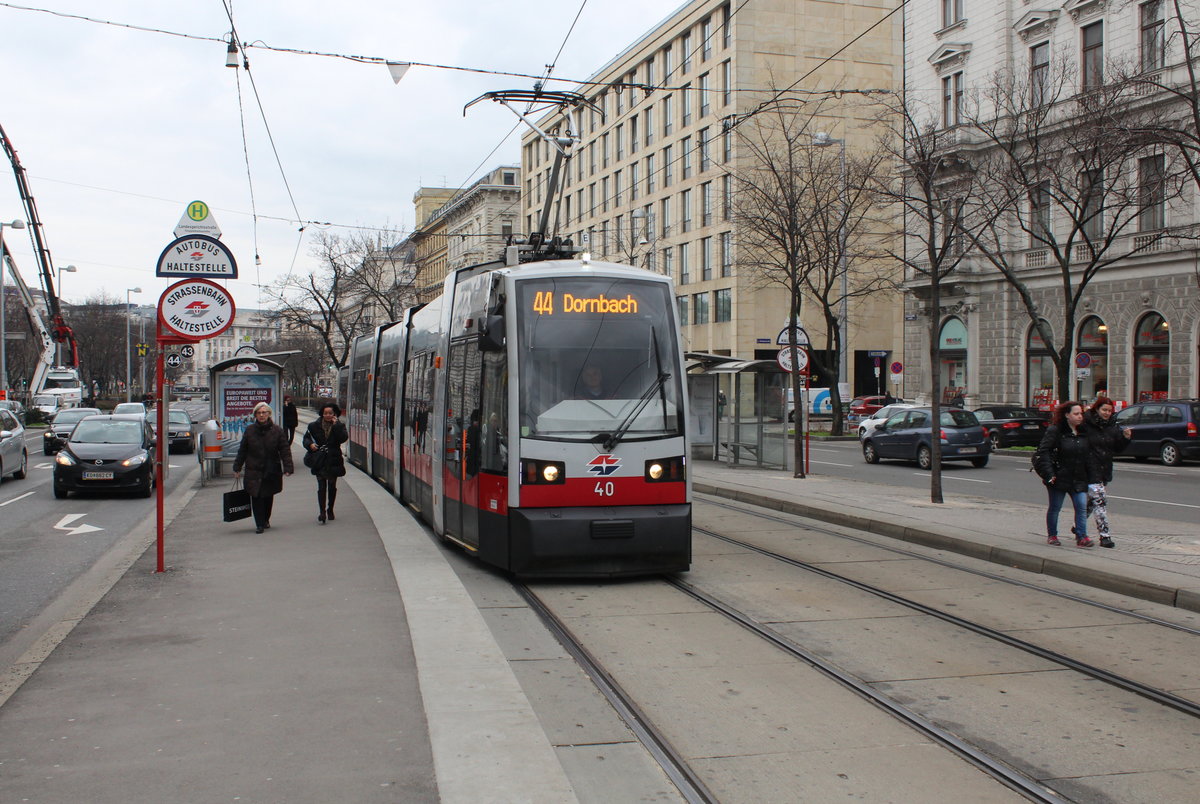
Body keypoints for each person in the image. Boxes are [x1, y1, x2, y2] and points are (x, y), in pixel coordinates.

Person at [1033, 400, 1099, 548]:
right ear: (1066, 415)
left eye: (1081, 413)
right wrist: (1050, 474)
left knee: (1081, 507)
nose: (1080, 417)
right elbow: (1043, 452)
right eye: (1076, 414)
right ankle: (1052, 535)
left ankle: (1082, 536)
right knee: (1055, 507)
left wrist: (1093, 477)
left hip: (1079, 477)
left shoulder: (1084, 432)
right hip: (1059, 477)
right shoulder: (1055, 431)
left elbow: (1089, 456)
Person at [233, 402, 294, 534]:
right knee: (256, 496)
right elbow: (243, 450)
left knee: (267, 496)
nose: (261, 415)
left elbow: (284, 450)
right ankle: (259, 524)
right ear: (255, 415)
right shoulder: (250, 430)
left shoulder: (277, 431)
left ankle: (266, 519)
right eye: (259, 413)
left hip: (271, 469)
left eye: (264, 412)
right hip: (253, 469)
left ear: (269, 414)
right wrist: (237, 467)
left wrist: (288, 467)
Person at [1082, 396, 1132, 549]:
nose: (1107, 413)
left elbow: (1117, 448)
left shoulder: (1112, 426)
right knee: (1100, 501)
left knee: (1093, 501)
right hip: (1089, 467)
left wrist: (1125, 438)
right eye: (1104, 410)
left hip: (1105, 468)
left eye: (1109, 411)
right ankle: (1105, 536)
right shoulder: (1086, 424)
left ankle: (1078, 524)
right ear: (1096, 409)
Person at [302, 402, 348, 524]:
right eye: (325, 413)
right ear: (322, 413)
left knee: (332, 486)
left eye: (330, 413)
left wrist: (336, 425)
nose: (327, 415)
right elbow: (306, 438)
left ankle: (330, 509)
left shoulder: (339, 425)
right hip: (320, 460)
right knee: (321, 486)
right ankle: (322, 512)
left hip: (333, 459)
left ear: (334, 414)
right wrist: (310, 445)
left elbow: (343, 438)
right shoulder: (313, 426)